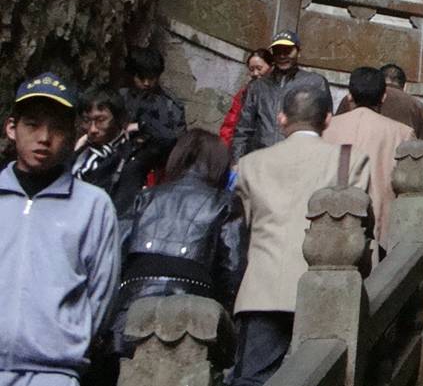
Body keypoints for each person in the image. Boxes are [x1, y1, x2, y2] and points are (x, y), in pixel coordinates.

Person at [231, 85, 371, 386]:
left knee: (253, 379)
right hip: (325, 290)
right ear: (328, 119)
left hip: (262, 288)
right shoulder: (350, 160)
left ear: (281, 118)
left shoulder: (250, 165)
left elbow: (244, 225)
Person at [0, 72, 119, 385]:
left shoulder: (93, 206)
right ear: (12, 128)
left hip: (55, 373)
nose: (44, 137)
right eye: (33, 124)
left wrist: (70, 344)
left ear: (73, 132)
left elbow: (101, 297)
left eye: (56, 127)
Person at [106, 129, 246, 358]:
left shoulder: (146, 196)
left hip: (131, 303)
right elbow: (232, 268)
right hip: (191, 305)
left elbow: (117, 252)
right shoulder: (224, 202)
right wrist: (224, 313)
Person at [323, 67, 413, 249]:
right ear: (383, 97)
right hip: (378, 228)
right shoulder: (402, 133)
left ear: (349, 96)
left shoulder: (326, 127)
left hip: (326, 221)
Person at [232, 31, 332, 160]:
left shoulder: (315, 82)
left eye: (288, 50)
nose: (282, 55)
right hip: (261, 159)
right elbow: (243, 129)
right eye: (278, 51)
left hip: (300, 160)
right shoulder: (257, 87)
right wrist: (236, 162)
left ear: (298, 51)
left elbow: (326, 126)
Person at [71, 86, 145, 216]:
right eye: (87, 121)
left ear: (119, 119)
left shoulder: (130, 158)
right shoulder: (79, 152)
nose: (93, 129)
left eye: (101, 120)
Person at [122, 46, 187, 179]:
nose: (147, 83)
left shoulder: (170, 106)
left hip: (153, 169)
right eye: (142, 77)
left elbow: (178, 142)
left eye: (152, 78)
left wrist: (142, 127)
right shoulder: (121, 98)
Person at [221, 49, 273, 147]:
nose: (255, 73)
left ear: (271, 67)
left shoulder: (279, 92)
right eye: (251, 69)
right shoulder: (244, 93)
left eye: (259, 68)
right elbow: (230, 123)